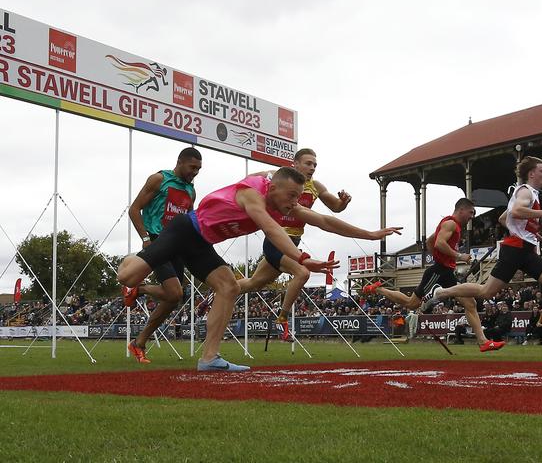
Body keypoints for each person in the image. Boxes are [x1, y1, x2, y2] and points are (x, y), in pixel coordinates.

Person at [117, 167, 401, 371]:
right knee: (127, 276)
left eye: (297, 198)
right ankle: (134, 258)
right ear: (274, 188)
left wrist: (371, 234)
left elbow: (323, 221)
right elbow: (270, 228)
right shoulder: (252, 194)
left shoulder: (282, 202)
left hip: (201, 242)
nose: (294, 203)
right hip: (183, 230)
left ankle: (209, 359)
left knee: (228, 286)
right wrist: (301, 258)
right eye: (291, 196)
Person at [429, 156, 542, 347]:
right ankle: (443, 292)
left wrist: (530, 233)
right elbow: (516, 212)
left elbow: (503, 218)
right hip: (515, 250)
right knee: (485, 292)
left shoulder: (526, 193)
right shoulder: (526, 192)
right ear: (531, 174)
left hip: (525, 249)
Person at [362, 198, 505, 352]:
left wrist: (439, 256)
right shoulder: (451, 224)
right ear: (461, 210)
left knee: (470, 303)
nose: (472, 216)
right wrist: (458, 256)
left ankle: (483, 341)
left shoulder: (450, 224)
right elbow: (438, 243)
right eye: (471, 212)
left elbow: (431, 241)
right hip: (438, 272)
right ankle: (378, 289)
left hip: (446, 271)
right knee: (412, 304)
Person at [238, 148, 352, 340]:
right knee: (302, 272)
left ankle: (223, 288)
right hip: (276, 240)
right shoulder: (278, 177)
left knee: (254, 283)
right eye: (308, 163)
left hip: (294, 242)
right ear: (295, 164)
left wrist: (344, 202)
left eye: (315, 164)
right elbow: (249, 179)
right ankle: (281, 320)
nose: (312, 168)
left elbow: (335, 208)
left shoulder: (315, 186)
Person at [123, 147, 202, 363]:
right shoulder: (159, 179)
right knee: (174, 292)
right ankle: (137, 291)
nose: (195, 172)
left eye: (198, 169)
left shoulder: (190, 190)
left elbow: (188, 219)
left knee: (173, 298)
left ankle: (138, 342)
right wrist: (146, 239)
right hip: (158, 240)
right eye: (192, 167)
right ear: (180, 162)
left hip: (177, 245)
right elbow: (134, 209)